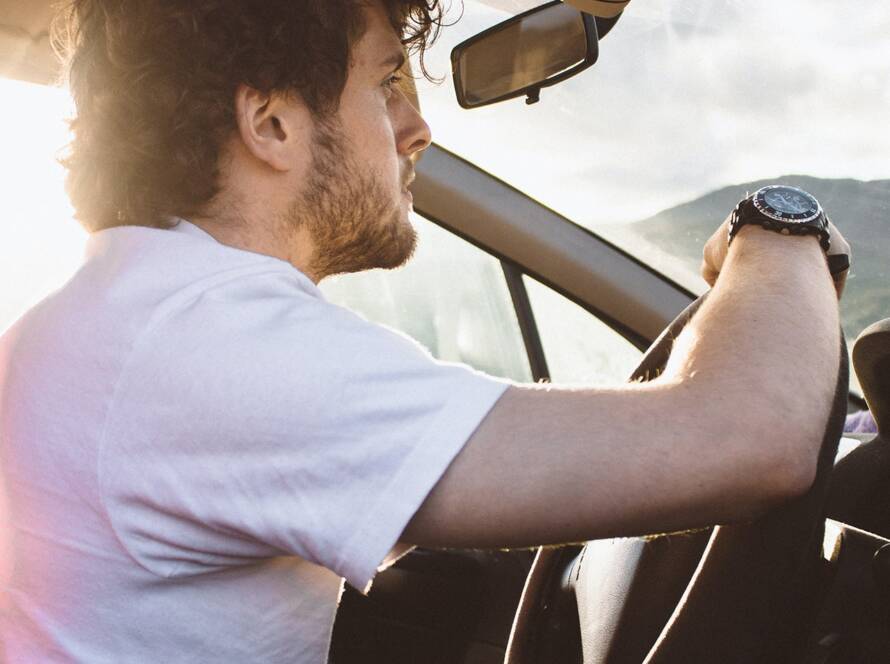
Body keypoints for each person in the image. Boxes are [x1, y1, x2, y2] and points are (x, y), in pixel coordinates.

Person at [0, 0, 850, 662]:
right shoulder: (208, 342)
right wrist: (780, 229)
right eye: (386, 84)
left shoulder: (129, 313)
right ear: (271, 124)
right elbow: (750, 437)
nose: (417, 129)